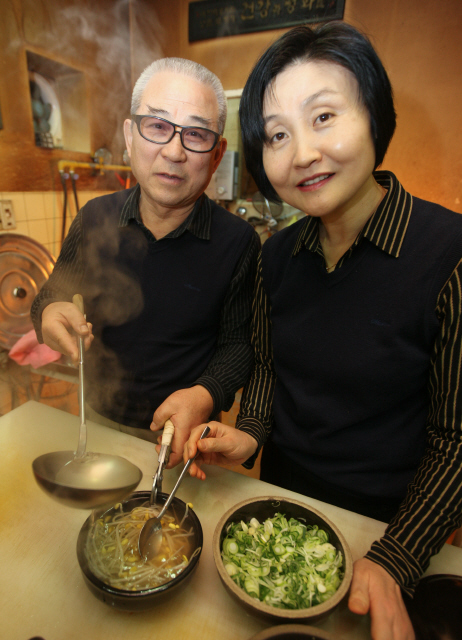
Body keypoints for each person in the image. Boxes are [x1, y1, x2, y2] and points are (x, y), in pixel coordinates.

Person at [184, 23, 462, 640]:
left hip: (389, 529)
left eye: (325, 116)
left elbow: (457, 441)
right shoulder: (275, 256)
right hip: (284, 513)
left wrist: (398, 555)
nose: (302, 152)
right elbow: (267, 367)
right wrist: (248, 434)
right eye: (278, 135)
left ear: (375, 116)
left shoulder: (450, 256)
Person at [31, 57, 260, 466]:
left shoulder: (239, 241)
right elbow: (51, 294)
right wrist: (48, 311)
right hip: (95, 419)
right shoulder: (93, 218)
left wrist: (204, 394)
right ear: (130, 136)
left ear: (216, 152)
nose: (173, 152)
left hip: (184, 437)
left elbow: (238, 345)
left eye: (196, 134)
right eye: (157, 126)